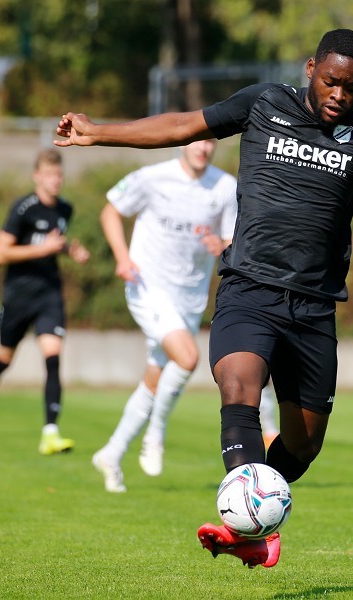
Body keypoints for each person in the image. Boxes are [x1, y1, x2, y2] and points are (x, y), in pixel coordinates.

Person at [55, 28, 353, 568]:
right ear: (311, 67)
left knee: (303, 445)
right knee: (238, 386)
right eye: (332, 81)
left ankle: (255, 513)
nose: (340, 95)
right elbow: (182, 126)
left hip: (314, 308)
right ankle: (246, 524)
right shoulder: (265, 102)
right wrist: (97, 132)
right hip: (249, 289)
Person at [90, 139, 238, 492]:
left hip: (190, 297)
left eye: (210, 141)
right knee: (187, 358)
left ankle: (111, 453)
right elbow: (110, 211)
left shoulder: (225, 187)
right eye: (197, 140)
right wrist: (122, 257)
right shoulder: (152, 177)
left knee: (155, 378)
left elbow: (233, 239)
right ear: (183, 143)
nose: (203, 147)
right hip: (148, 286)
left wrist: (223, 245)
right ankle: (155, 435)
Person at [0, 149, 90, 455]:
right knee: (4, 359)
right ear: (36, 176)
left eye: (59, 175)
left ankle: (50, 433)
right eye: (49, 175)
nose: (55, 180)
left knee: (53, 356)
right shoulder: (23, 209)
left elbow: (53, 244)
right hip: (18, 296)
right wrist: (43, 249)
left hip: (49, 294)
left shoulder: (64, 210)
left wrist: (70, 250)